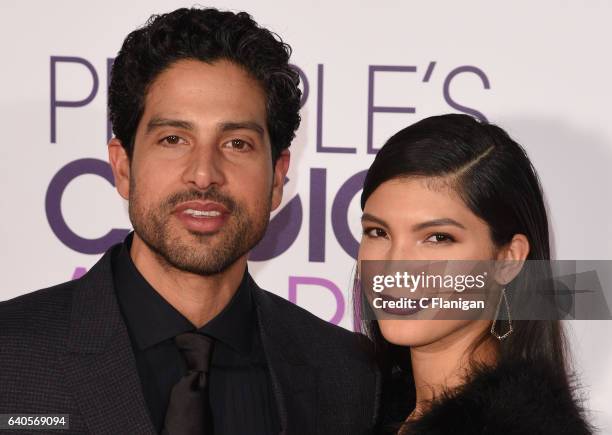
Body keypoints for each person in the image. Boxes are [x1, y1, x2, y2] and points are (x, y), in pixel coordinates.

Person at [0, 8, 378, 435]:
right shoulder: (9, 355)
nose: (204, 173)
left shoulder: (351, 378)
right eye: (173, 139)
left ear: (276, 177)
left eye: (237, 143)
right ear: (123, 167)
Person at [355, 114, 592, 434]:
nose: (396, 266)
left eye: (438, 238)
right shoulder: (355, 405)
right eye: (378, 232)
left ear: (508, 259)